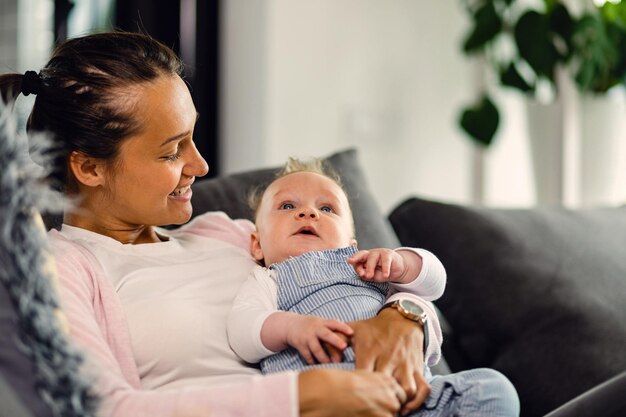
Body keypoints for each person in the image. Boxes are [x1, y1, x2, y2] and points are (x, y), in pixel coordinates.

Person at [0, 30, 446, 417]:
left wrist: (406, 320)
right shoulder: (62, 271)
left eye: (193, 137)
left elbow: (359, 285)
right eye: (172, 151)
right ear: (90, 168)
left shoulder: (230, 233)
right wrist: (299, 398)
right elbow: (103, 408)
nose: (201, 164)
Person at [228, 158, 520, 416]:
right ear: (257, 245)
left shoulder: (367, 267)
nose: (308, 213)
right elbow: (243, 329)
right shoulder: (268, 279)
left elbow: (434, 282)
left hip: (413, 396)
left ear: (351, 243)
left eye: (327, 208)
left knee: (493, 389)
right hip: (334, 400)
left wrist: (402, 263)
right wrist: (291, 328)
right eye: (287, 206)